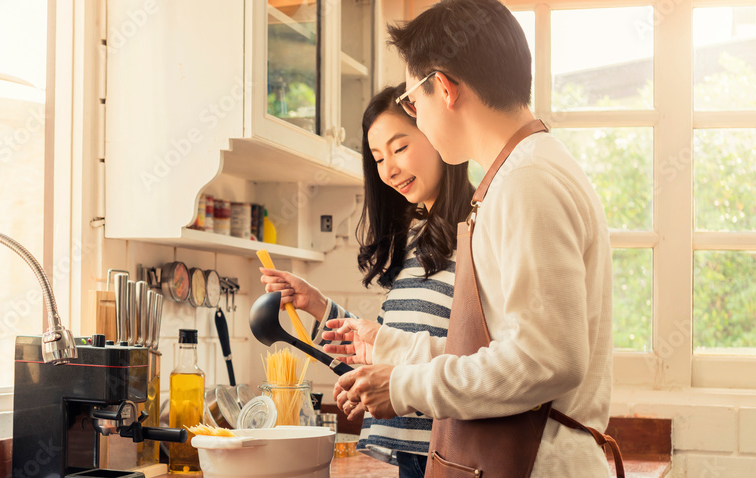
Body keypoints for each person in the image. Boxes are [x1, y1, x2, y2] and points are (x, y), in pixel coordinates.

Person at [329, 0, 616, 476]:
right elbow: (496, 350)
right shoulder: (521, 170)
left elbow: (545, 361)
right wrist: (389, 347)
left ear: (442, 87)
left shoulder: (528, 180)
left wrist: (404, 387)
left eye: (412, 103)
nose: (415, 117)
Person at [260, 83, 475, 477]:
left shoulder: (480, 234)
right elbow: (390, 349)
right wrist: (318, 305)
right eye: (378, 157)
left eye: (399, 147)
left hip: (458, 452)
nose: (389, 169)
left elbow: (482, 359)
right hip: (414, 451)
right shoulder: (415, 240)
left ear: (435, 131)